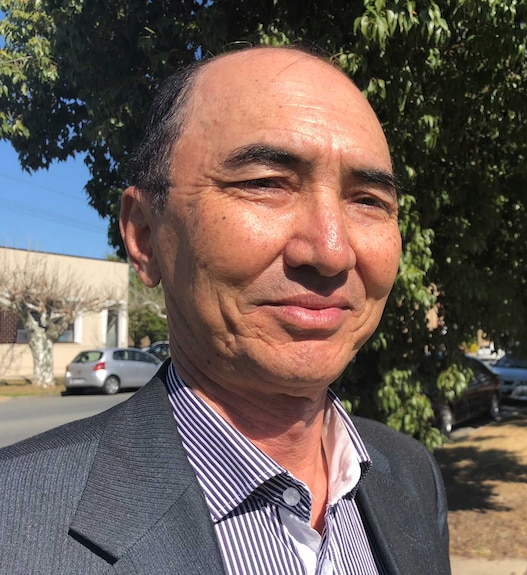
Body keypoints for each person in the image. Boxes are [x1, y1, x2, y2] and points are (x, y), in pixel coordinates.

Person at [0, 46, 450, 575]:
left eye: (369, 199)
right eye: (264, 184)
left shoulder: (412, 475)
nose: (331, 251)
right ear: (145, 235)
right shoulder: (19, 525)